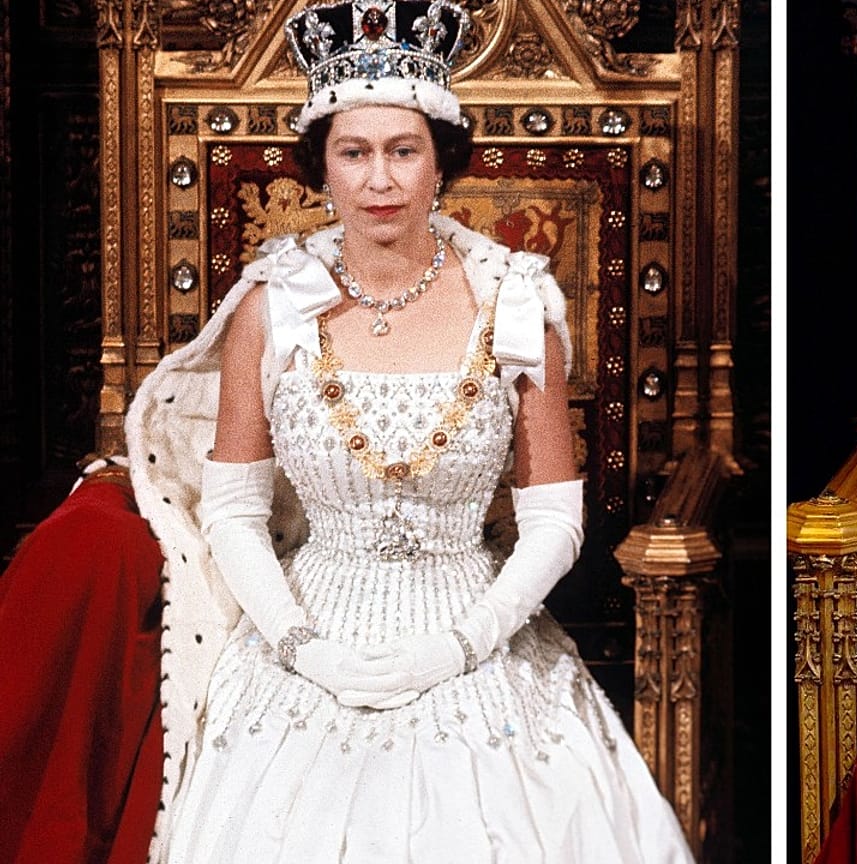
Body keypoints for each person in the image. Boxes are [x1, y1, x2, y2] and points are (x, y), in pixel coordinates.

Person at [124, 1, 693, 860]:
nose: (379, 180)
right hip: (309, 625)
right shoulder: (270, 310)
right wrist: (299, 645)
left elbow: (554, 522)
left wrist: (460, 644)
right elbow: (234, 515)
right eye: (354, 153)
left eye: (403, 151)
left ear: (442, 164)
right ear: (323, 167)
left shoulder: (514, 303)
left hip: (474, 624)